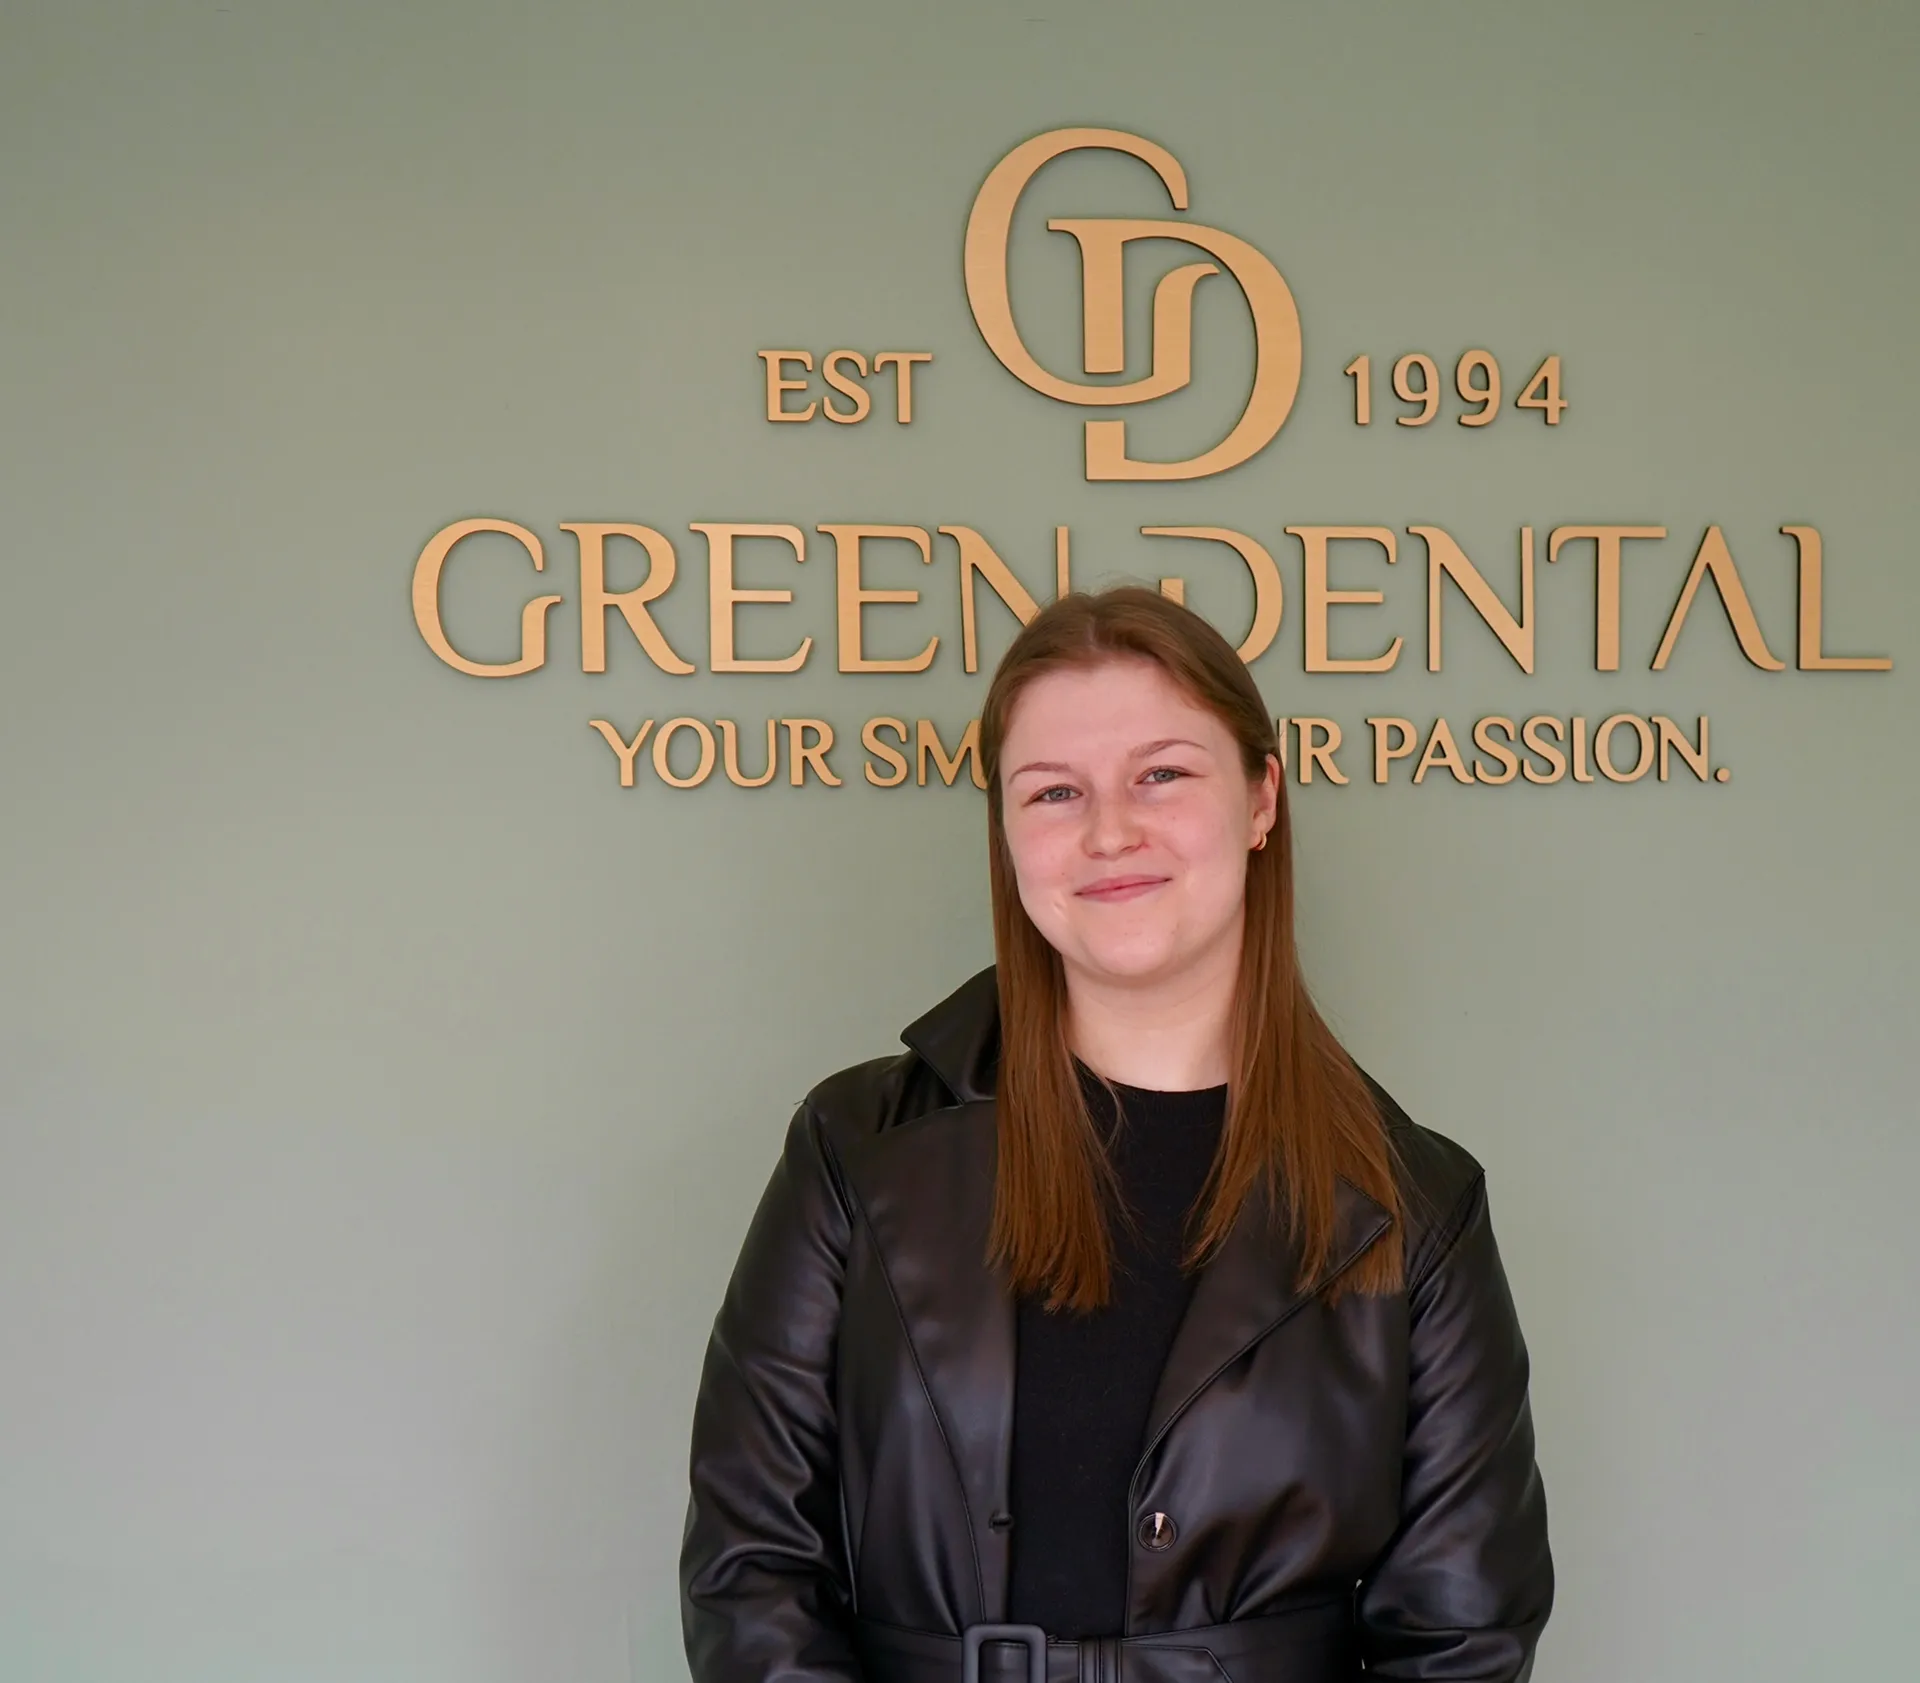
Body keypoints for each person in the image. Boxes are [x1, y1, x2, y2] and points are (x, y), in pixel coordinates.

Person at [679, 586, 1553, 1682]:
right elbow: (751, 1569)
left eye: (1163, 774)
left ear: (1262, 798)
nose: (1108, 832)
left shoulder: (1414, 1205)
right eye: (1053, 791)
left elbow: (1460, 1639)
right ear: (1005, 831)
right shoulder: (854, 1147)